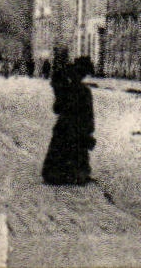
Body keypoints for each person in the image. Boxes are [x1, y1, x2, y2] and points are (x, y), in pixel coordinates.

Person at [42, 56, 95, 185]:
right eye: (83, 73)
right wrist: (88, 129)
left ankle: (60, 174)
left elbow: (58, 107)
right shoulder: (81, 90)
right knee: (74, 147)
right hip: (73, 124)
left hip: (67, 124)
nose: (83, 76)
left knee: (63, 147)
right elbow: (87, 113)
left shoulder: (70, 86)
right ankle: (73, 174)